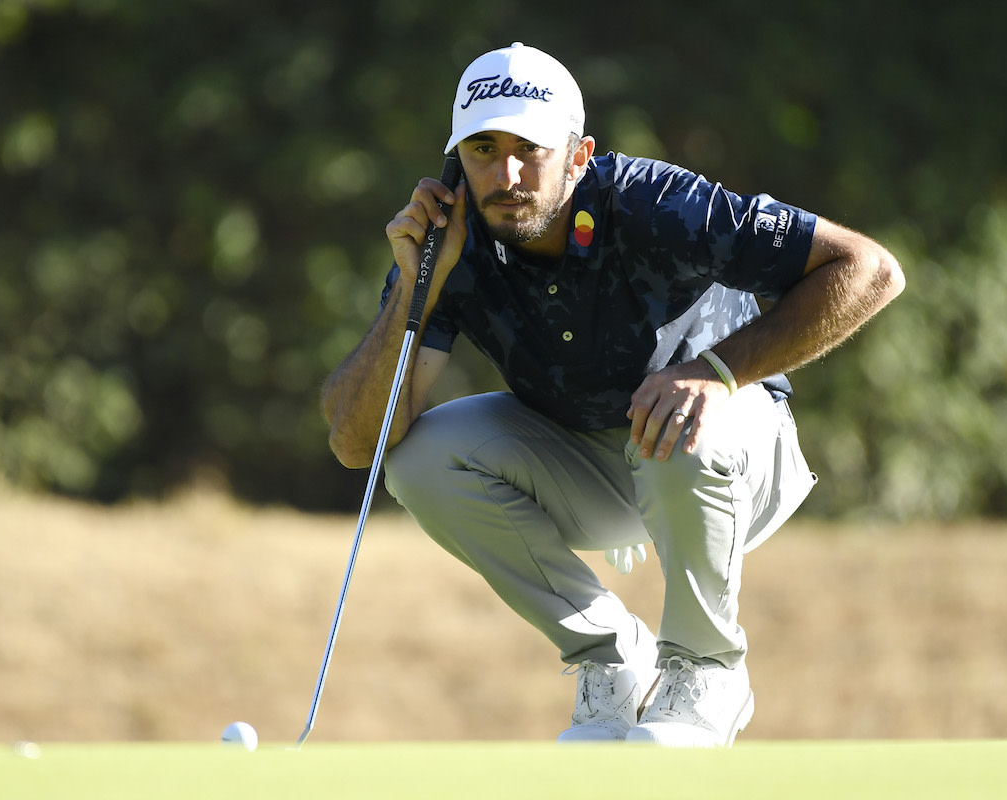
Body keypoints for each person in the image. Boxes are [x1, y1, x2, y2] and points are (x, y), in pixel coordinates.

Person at [320, 42, 904, 747]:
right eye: (482, 148)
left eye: (529, 149)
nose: (506, 174)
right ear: (455, 161)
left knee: (674, 420)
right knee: (417, 459)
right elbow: (358, 441)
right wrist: (417, 286)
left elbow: (870, 269)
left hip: (733, 451)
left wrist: (715, 372)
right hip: (597, 468)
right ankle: (613, 659)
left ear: (578, 154)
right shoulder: (453, 246)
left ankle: (706, 669)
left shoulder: (655, 203)